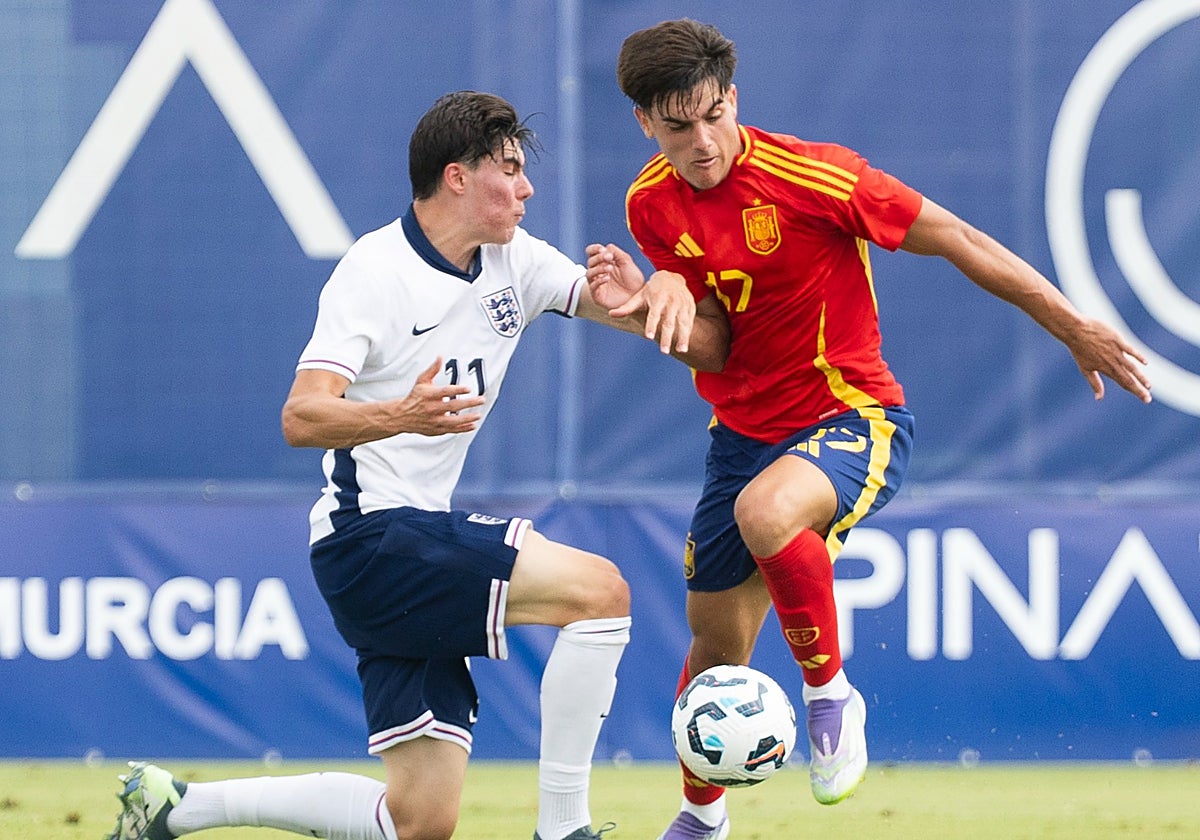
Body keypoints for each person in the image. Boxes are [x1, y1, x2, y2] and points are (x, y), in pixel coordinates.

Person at [585, 18, 1153, 840]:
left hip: (853, 417)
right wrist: (643, 310)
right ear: (645, 122)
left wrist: (1069, 324)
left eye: (715, 114)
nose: (703, 141)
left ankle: (831, 695)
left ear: (733, 98)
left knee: (767, 512)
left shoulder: (812, 176)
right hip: (740, 437)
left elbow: (957, 237)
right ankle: (701, 819)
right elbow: (713, 340)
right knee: (713, 654)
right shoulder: (651, 205)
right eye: (680, 126)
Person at [105, 90, 726, 840]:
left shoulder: (516, 262)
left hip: (404, 549)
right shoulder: (373, 271)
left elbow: (647, 320)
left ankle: (183, 808)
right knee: (601, 592)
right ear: (457, 176)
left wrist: (663, 287)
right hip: (371, 539)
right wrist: (396, 415)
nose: (528, 188)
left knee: (418, 820)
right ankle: (564, 829)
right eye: (510, 169)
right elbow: (301, 416)